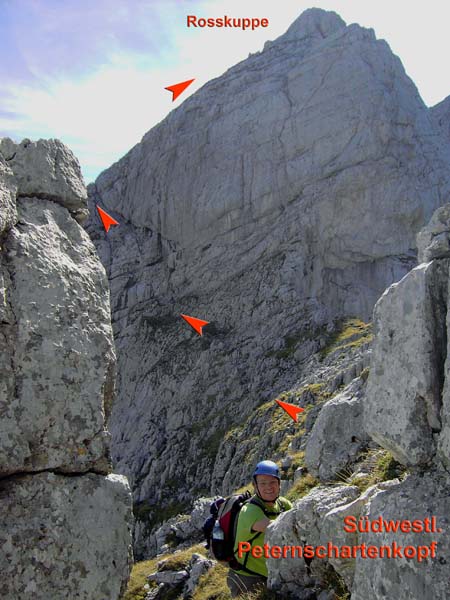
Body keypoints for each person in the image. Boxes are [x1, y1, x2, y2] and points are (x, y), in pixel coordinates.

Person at [227, 460, 293, 597]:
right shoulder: (249, 511)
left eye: (273, 482)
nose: (268, 487)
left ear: (279, 484)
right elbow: (277, 529)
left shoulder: (282, 504)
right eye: (263, 483)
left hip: (270, 574)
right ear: (255, 486)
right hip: (247, 579)